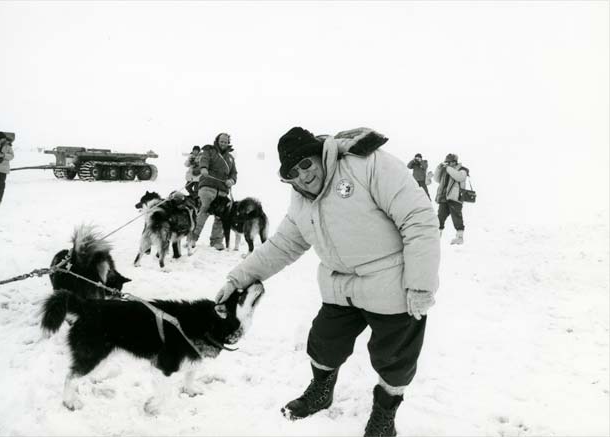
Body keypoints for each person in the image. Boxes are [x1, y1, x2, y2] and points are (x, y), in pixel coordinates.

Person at [215, 127, 440, 436]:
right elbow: (282, 245)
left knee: (395, 360)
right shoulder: (301, 201)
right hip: (341, 287)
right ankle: (322, 392)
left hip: (393, 285)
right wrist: (238, 278)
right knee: (323, 344)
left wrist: (420, 285)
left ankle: (384, 415)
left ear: (320, 155)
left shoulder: (368, 164)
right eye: (292, 172)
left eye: (306, 164)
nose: (302, 176)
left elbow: (418, 218)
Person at [188, 132, 237, 251]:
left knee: (221, 216)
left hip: (222, 190)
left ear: (228, 143)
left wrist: (231, 180)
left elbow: (234, 173)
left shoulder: (230, 158)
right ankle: (192, 238)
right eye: (221, 141)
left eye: (225, 142)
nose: (223, 143)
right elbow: (204, 161)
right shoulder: (209, 151)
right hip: (208, 186)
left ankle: (216, 241)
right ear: (217, 141)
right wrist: (203, 168)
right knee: (203, 211)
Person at [434, 153, 469, 245]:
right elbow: (436, 179)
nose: (448, 164)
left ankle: (459, 238)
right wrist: (439, 168)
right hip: (444, 198)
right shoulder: (445, 170)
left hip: (455, 197)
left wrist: (448, 168)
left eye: (450, 162)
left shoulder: (462, 169)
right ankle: (436, 237)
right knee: (440, 217)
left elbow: (460, 177)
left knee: (456, 217)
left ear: (455, 162)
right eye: (447, 162)